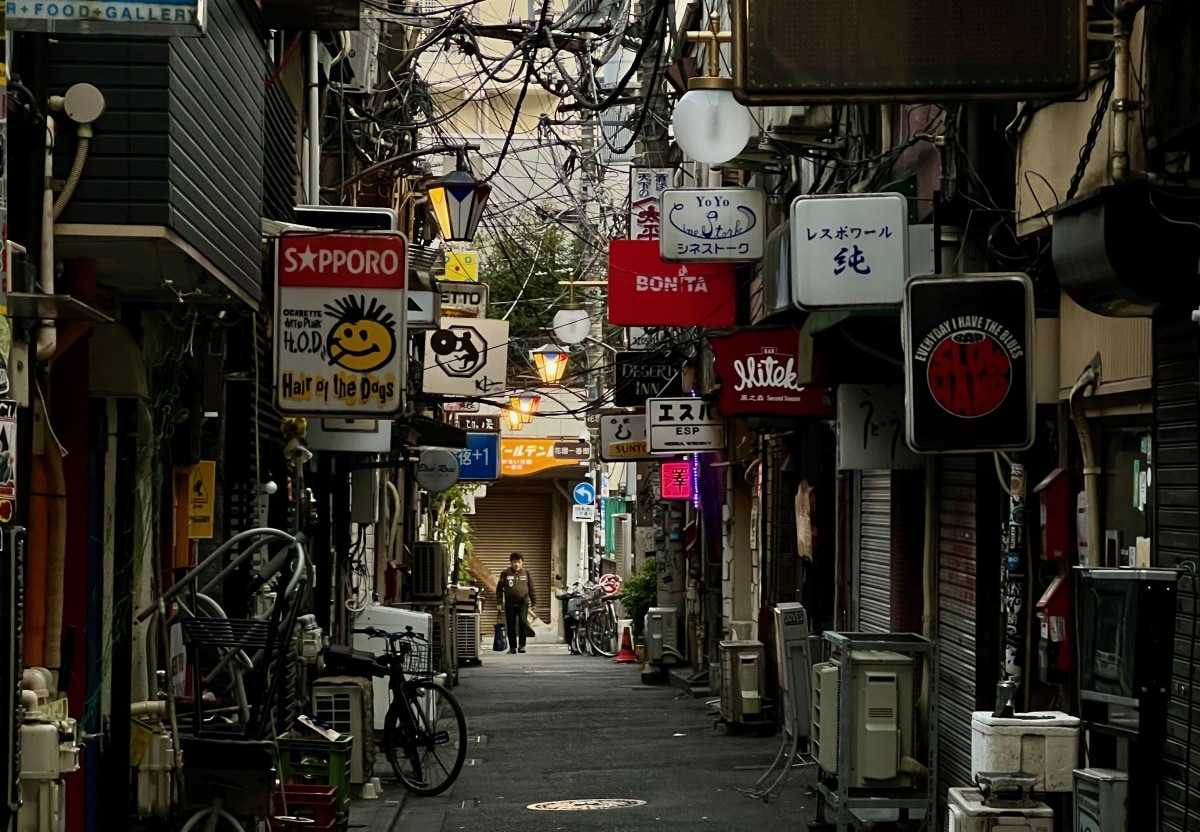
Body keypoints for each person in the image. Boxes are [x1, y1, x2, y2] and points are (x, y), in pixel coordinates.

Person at [497, 552, 536, 654]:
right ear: (511, 562)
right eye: (515, 562)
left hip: (523, 603)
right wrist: (499, 602)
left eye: (519, 562)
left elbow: (531, 589)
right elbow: (499, 589)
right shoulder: (505, 573)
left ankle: (522, 646)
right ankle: (513, 647)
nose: (517, 564)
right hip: (510, 604)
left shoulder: (526, 573)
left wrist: (534, 602)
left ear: (522, 563)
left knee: (523, 623)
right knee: (511, 625)